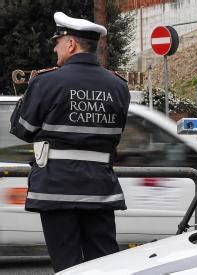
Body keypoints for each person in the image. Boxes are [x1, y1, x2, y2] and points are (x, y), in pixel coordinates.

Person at [9, 12, 130, 272]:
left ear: (71, 44)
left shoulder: (46, 82)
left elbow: (22, 129)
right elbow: (116, 134)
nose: (55, 48)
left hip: (56, 188)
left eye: (57, 42)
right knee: (105, 261)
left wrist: (28, 94)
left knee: (67, 264)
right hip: (100, 189)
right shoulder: (118, 86)